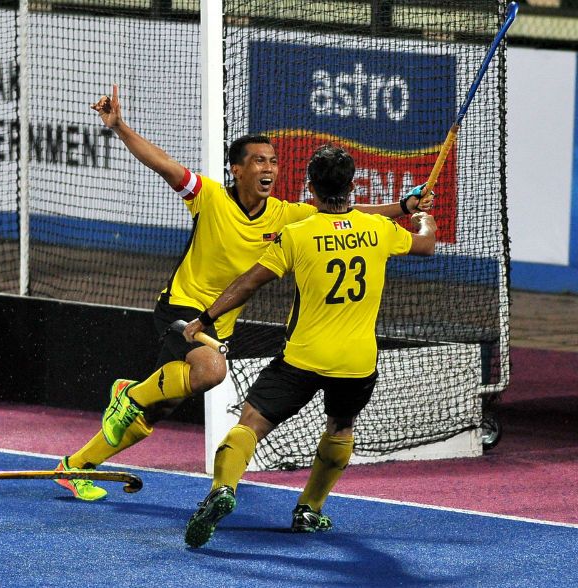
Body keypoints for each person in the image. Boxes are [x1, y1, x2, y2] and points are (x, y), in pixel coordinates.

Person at [52, 84, 433, 501]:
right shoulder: (209, 197)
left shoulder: (288, 214)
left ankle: (76, 464)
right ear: (236, 169)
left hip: (220, 323)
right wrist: (120, 126)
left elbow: (349, 214)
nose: (268, 168)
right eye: (257, 161)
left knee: (160, 409)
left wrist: (403, 206)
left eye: (272, 161)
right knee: (211, 372)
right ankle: (129, 393)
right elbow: (162, 165)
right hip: (184, 309)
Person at [179, 144, 437, 548]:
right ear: (352, 186)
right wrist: (422, 218)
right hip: (356, 362)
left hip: (302, 358)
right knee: (340, 427)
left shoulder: (297, 234)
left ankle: (223, 490)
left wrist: (204, 319)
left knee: (250, 423)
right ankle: (309, 510)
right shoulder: (381, 231)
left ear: (310, 188)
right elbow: (425, 244)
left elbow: (248, 282)